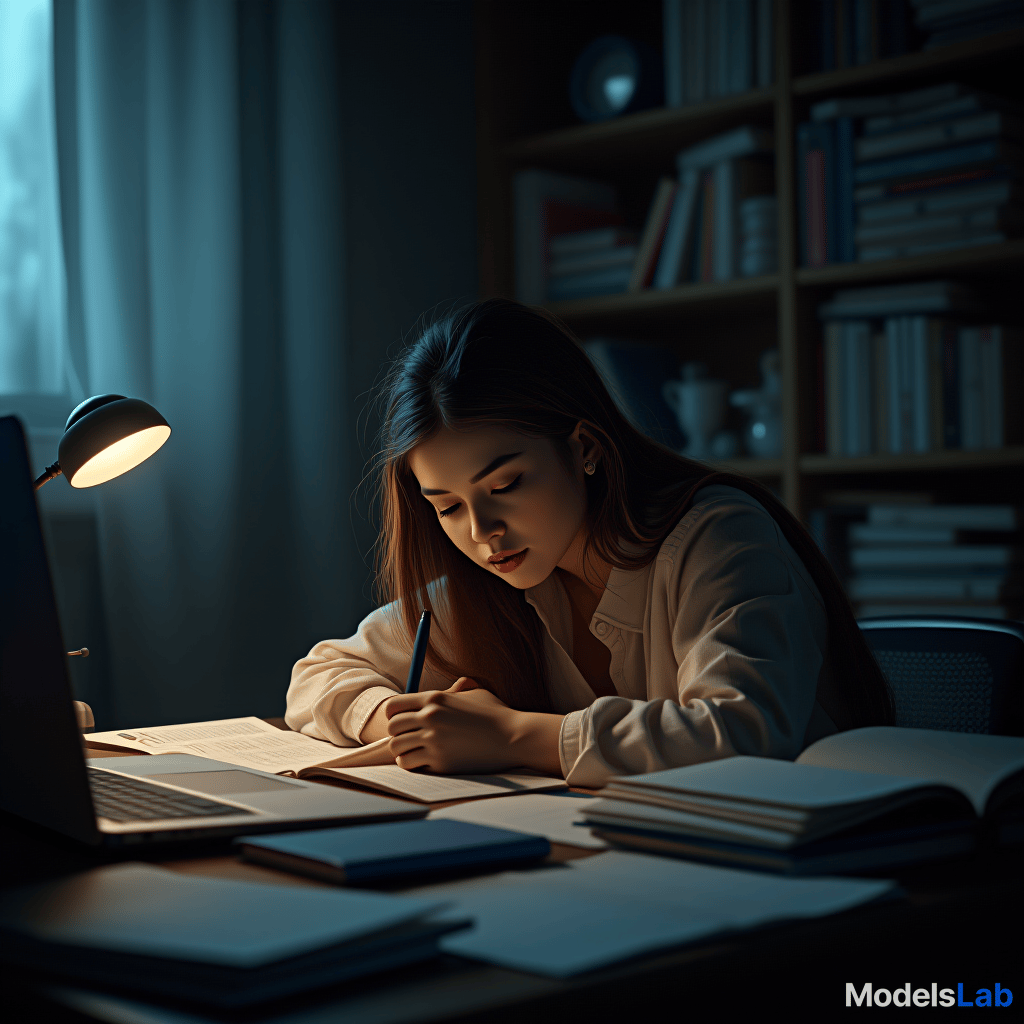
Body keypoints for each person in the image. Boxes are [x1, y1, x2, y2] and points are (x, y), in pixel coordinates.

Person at [285, 299, 893, 787]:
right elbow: (320, 672)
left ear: (585, 448)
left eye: (506, 484)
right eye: (447, 506)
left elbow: (746, 731)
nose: (481, 531)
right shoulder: (501, 576)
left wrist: (514, 735)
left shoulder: (716, 536)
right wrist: (406, 722)